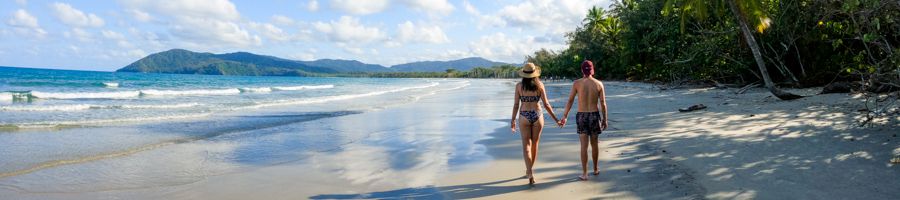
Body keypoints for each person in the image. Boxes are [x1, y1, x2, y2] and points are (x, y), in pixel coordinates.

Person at [510, 62, 560, 185]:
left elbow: (516, 104)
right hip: (537, 115)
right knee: (535, 144)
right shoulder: (540, 85)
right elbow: (546, 104)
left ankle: (529, 172)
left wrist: (512, 120)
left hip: (524, 115)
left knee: (526, 145)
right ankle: (530, 170)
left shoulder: (518, 86)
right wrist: (556, 119)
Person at [560, 60, 608, 181]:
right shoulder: (598, 84)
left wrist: (565, 115)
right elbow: (603, 103)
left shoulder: (577, 83)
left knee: (584, 146)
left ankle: (585, 173)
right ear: (592, 70)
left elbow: (570, 100)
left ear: (582, 70)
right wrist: (605, 119)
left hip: (582, 116)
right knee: (595, 144)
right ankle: (596, 169)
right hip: (594, 115)